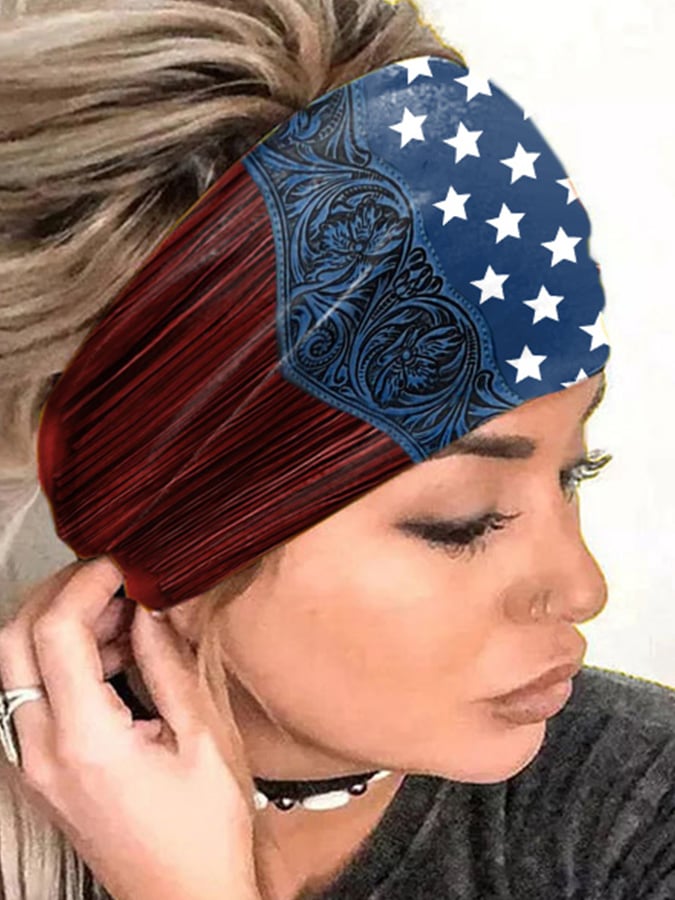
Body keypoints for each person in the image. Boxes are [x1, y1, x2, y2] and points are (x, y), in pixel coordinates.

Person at [0, 2, 673, 900]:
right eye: (461, 521)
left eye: (573, 472)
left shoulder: (639, 812)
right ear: (156, 529)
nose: (584, 588)